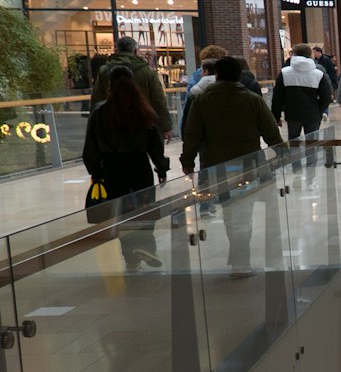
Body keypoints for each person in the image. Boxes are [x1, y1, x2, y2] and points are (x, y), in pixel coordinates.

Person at [180, 56, 283, 278]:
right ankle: (240, 263)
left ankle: (239, 260)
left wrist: (187, 161)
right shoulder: (252, 100)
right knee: (242, 214)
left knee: (231, 212)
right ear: (239, 75)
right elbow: (271, 132)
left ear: (216, 75)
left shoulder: (201, 101)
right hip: (248, 165)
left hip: (215, 166)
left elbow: (192, 134)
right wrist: (283, 153)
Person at [81, 65, 170, 274]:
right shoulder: (144, 110)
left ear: (109, 85)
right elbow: (155, 144)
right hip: (139, 165)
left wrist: (95, 171)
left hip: (111, 167)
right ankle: (146, 246)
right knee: (145, 207)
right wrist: (161, 168)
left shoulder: (100, 111)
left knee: (122, 213)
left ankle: (131, 259)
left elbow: (91, 145)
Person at [91, 36, 173, 140]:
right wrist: (166, 126)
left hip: (113, 122)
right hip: (142, 122)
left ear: (117, 50)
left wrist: (94, 125)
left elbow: (97, 99)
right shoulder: (147, 71)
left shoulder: (104, 71)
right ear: (135, 50)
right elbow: (158, 100)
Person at [271, 42, 333, 174]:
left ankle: (296, 169)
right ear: (310, 54)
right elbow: (327, 96)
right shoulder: (318, 73)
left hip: (292, 113)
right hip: (312, 114)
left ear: (293, 54)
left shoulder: (285, 73)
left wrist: (276, 116)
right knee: (312, 143)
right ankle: (311, 171)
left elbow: (277, 97)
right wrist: (319, 109)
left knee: (294, 142)